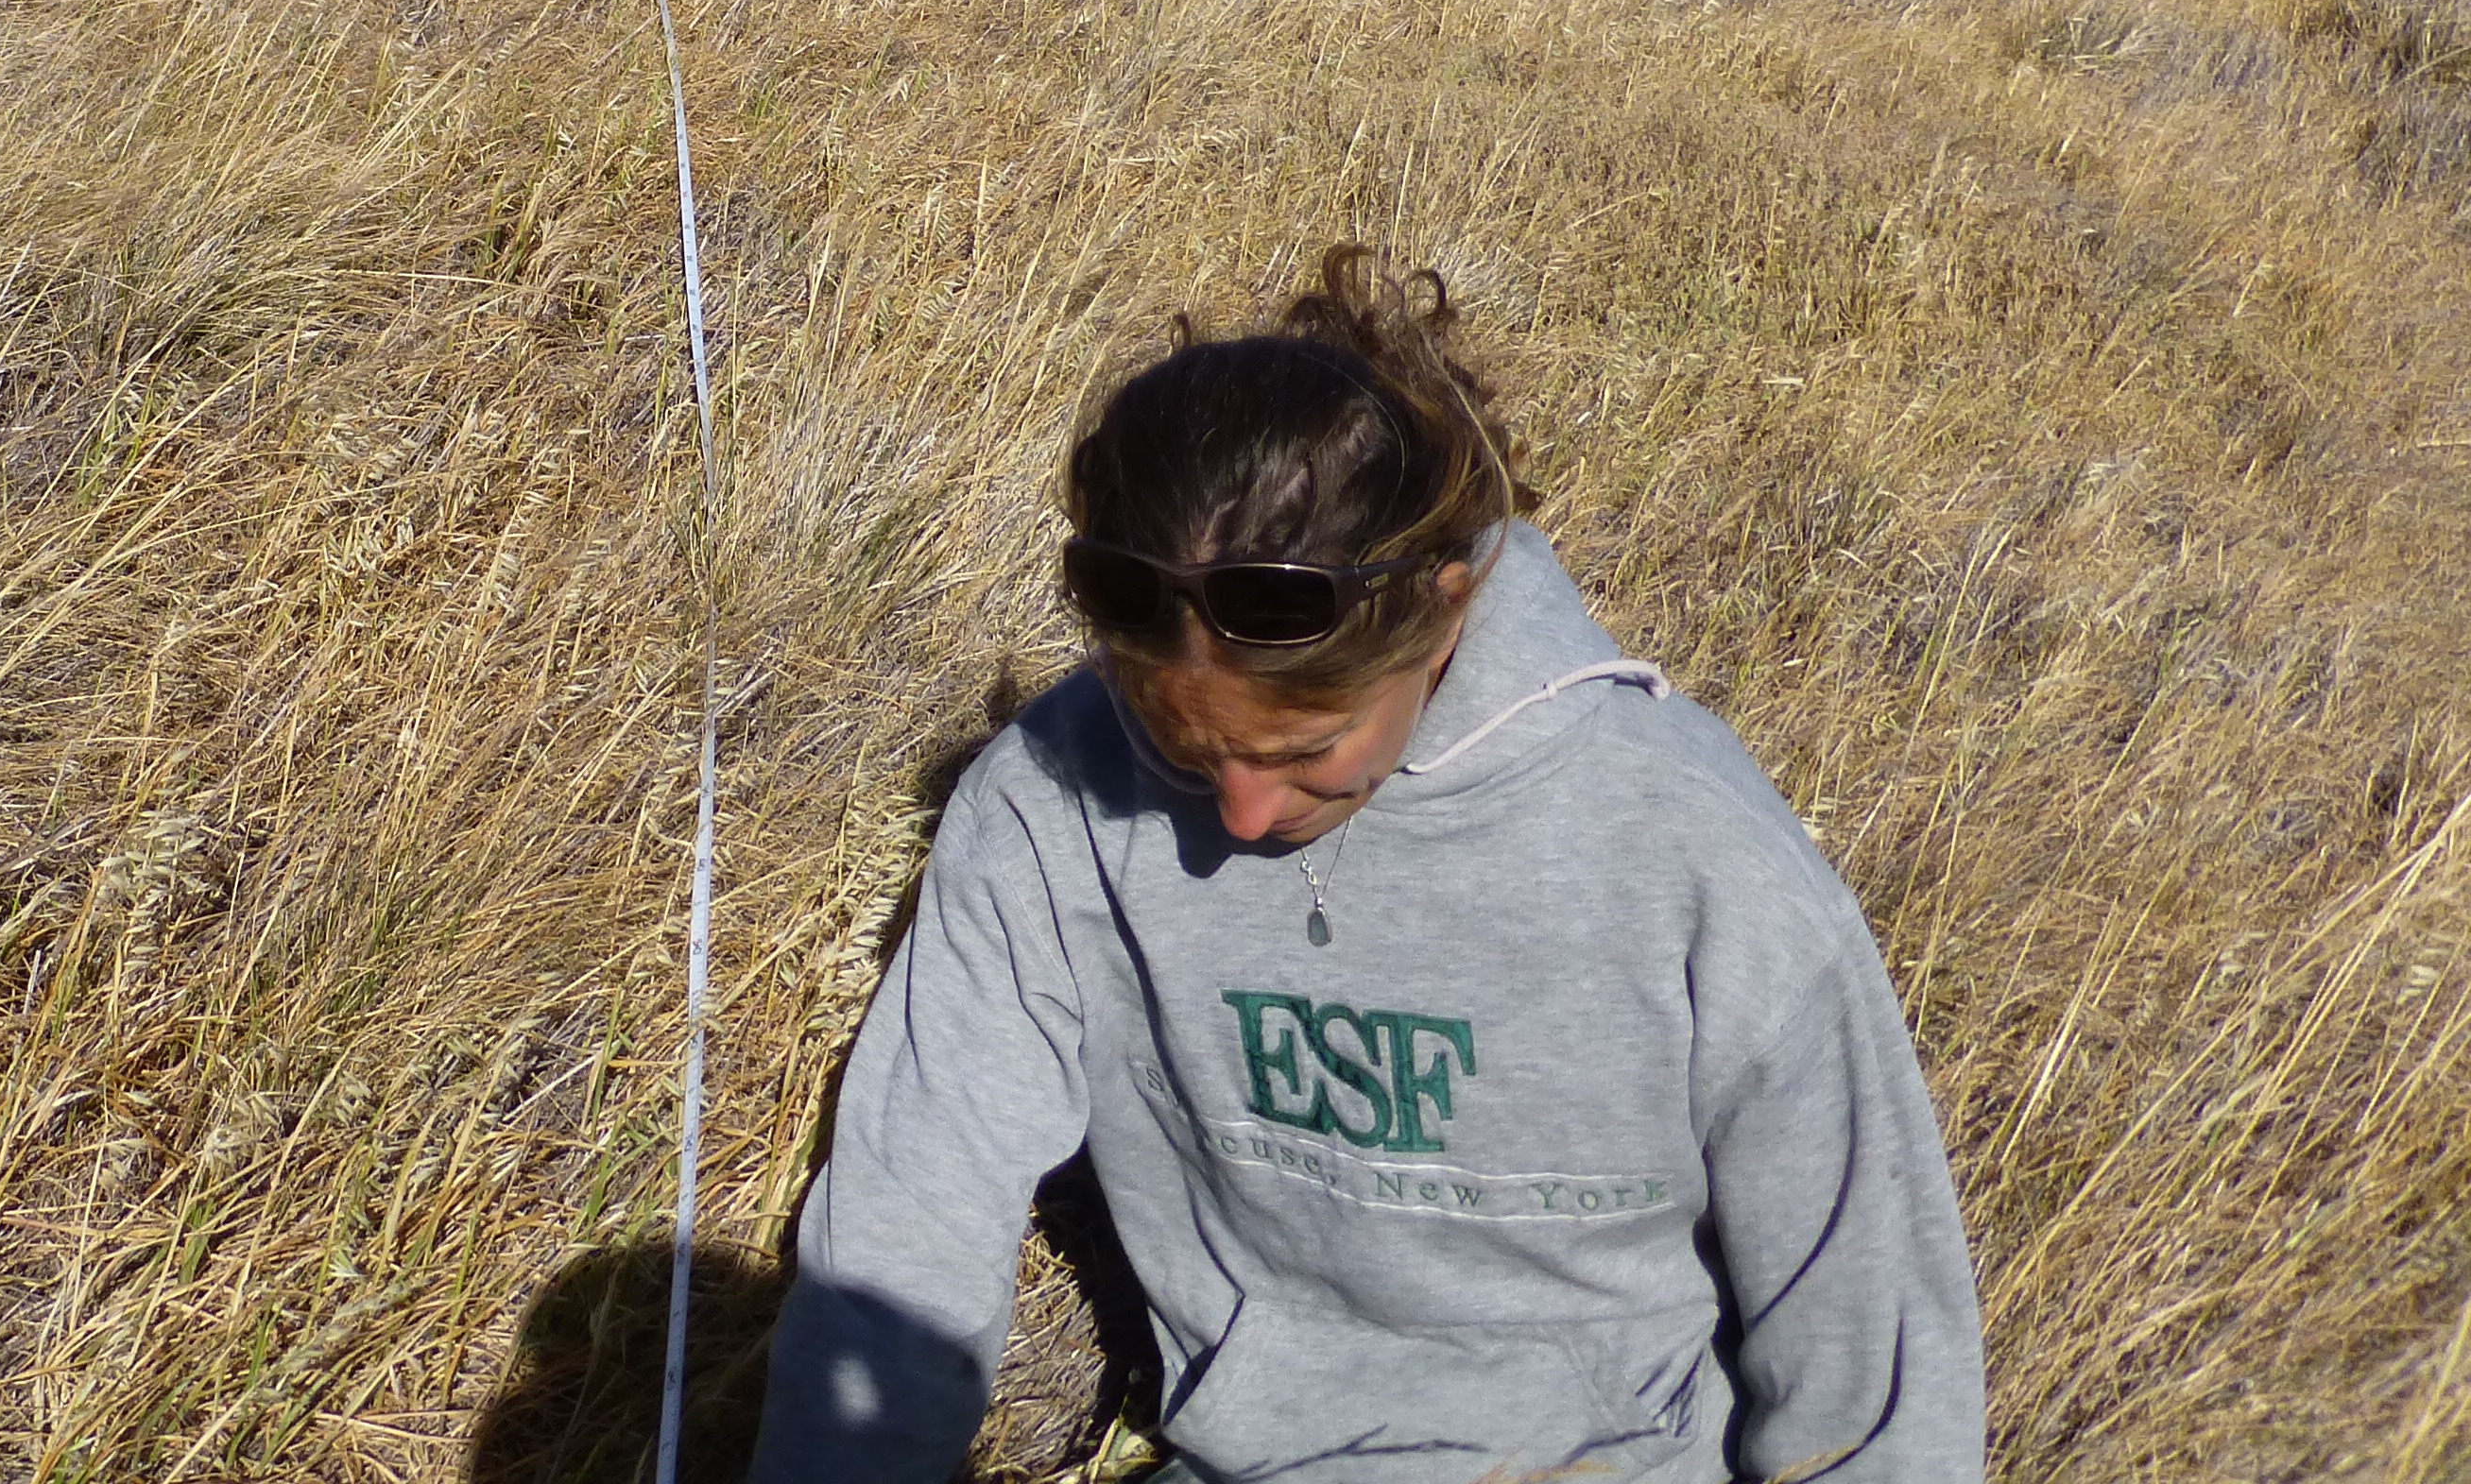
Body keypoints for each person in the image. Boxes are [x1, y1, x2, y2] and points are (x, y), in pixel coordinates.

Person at [751, 250, 1982, 1482]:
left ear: (1442, 613)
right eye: (1187, 752)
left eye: (1306, 752)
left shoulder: (1695, 847)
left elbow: (1868, 1352)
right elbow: (912, 1230)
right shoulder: (1049, 799)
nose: (1240, 815)